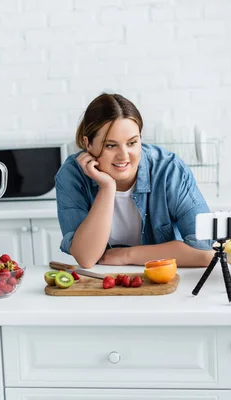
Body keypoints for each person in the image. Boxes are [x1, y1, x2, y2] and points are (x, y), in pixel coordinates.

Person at [54, 92, 214, 269]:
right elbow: (86, 257)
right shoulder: (72, 175)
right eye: (111, 145)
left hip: (162, 278)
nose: (124, 155)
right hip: (102, 282)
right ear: (88, 143)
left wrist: (127, 255)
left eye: (132, 143)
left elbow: (205, 251)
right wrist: (107, 188)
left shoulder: (169, 170)